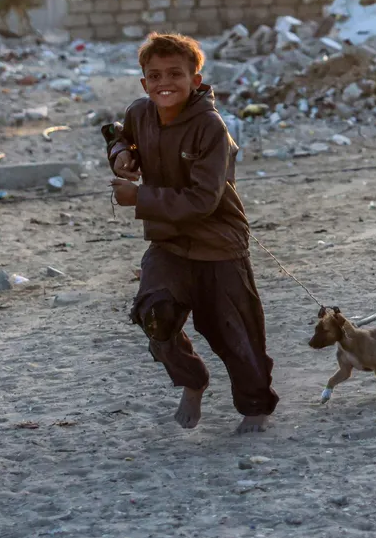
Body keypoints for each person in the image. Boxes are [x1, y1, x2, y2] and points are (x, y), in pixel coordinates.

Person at [107, 32, 278, 434]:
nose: (165, 82)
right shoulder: (140, 113)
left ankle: (255, 407)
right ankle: (192, 381)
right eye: (155, 75)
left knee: (235, 334)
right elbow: (117, 132)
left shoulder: (210, 127)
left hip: (219, 245)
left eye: (176, 74)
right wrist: (120, 154)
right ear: (144, 83)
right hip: (168, 243)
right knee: (155, 317)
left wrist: (140, 197)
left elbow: (203, 200)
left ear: (195, 80)